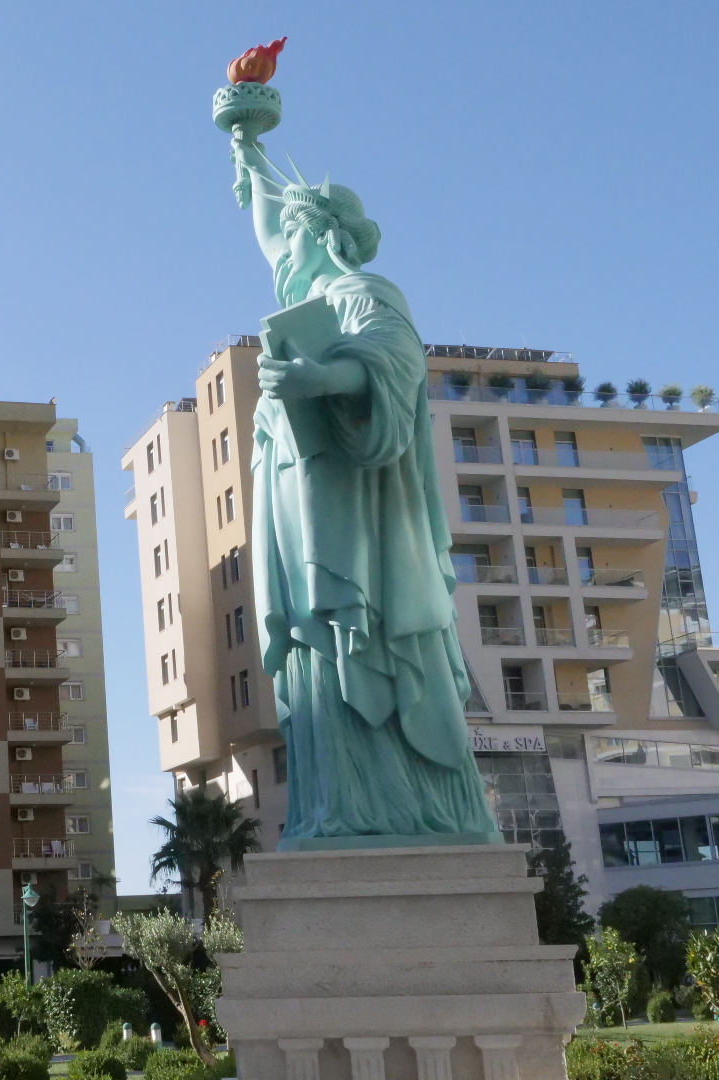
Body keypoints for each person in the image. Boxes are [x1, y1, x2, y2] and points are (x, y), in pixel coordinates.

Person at [228, 131, 499, 847]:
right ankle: (335, 808)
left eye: (295, 233)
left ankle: (411, 809)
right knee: (320, 645)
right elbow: (269, 230)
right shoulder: (309, 302)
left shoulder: (364, 293)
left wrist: (321, 378)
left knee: (363, 634)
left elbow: (392, 360)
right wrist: (249, 150)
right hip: (302, 501)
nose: (282, 248)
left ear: (324, 235)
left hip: (361, 517)